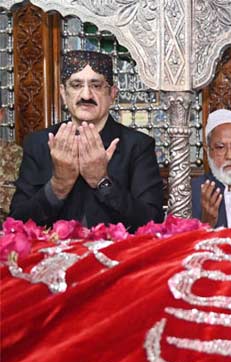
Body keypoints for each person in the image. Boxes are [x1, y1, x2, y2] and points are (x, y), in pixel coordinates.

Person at [10, 50, 164, 230]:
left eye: (96, 85)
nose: (86, 95)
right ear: (63, 92)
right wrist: (58, 185)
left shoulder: (137, 146)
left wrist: (102, 181)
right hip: (54, 254)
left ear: (112, 94)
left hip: (116, 255)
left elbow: (153, 222)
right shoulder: (39, 143)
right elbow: (16, 224)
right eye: (76, 85)